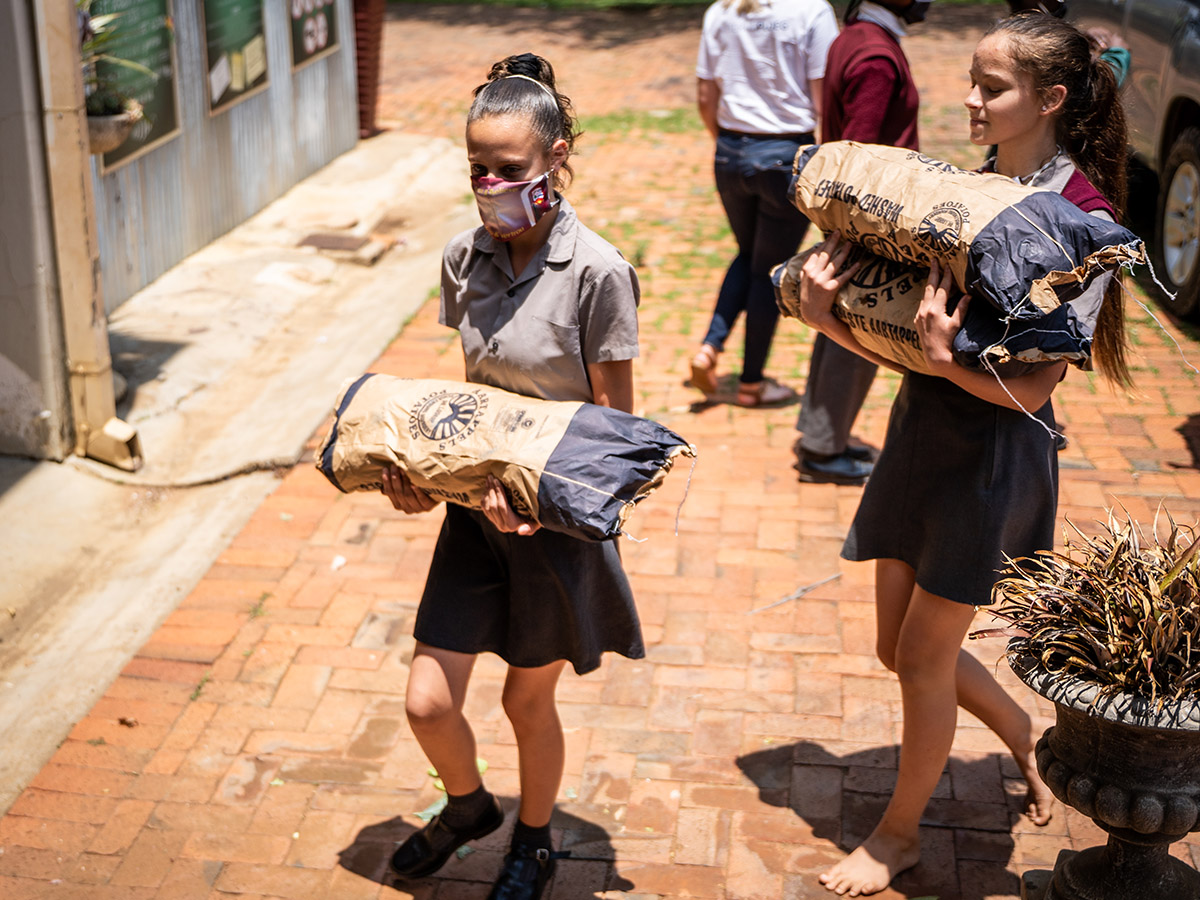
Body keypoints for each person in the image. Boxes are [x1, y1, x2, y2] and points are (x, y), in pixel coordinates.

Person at [797, 13, 1131, 896]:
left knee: (921, 657)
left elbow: (1038, 388)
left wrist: (948, 360)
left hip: (993, 453)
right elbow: (912, 342)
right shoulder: (973, 191)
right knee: (891, 646)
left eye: (993, 88)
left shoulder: (1079, 219)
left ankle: (900, 834)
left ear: (1050, 99)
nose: (971, 101)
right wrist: (835, 321)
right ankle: (1024, 736)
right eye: (972, 82)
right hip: (921, 428)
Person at [380, 53, 644, 900]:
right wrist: (425, 472)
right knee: (427, 702)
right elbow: (474, 398)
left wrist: (543, 505)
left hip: (553, 534)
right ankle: (468, 811)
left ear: (558, 156)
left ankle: (535, 840)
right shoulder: (465, 258)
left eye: (510, 169)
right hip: (472, 522)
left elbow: (617, 436)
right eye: (478, 169)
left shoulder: (599, 272)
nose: (491, 184)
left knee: (524, 706)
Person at [792, 0, 927, 485]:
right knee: (856, 328)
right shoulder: (875, 55)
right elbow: (860, 155)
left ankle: (821, 435)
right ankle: (823, 450)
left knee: (835, 321)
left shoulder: (854, 36)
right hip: (870, 219)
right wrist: (862, 233)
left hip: (855, 218)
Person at [689, 0, 839, 407]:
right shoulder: (813, 11)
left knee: (749, 255)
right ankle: (751, 385)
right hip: (785, 152)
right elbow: (826, 101)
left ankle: (710, 347)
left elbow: (706, 95)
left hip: (730, 150)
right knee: (769, 268)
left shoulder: (722, 10)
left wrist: (731, 148)